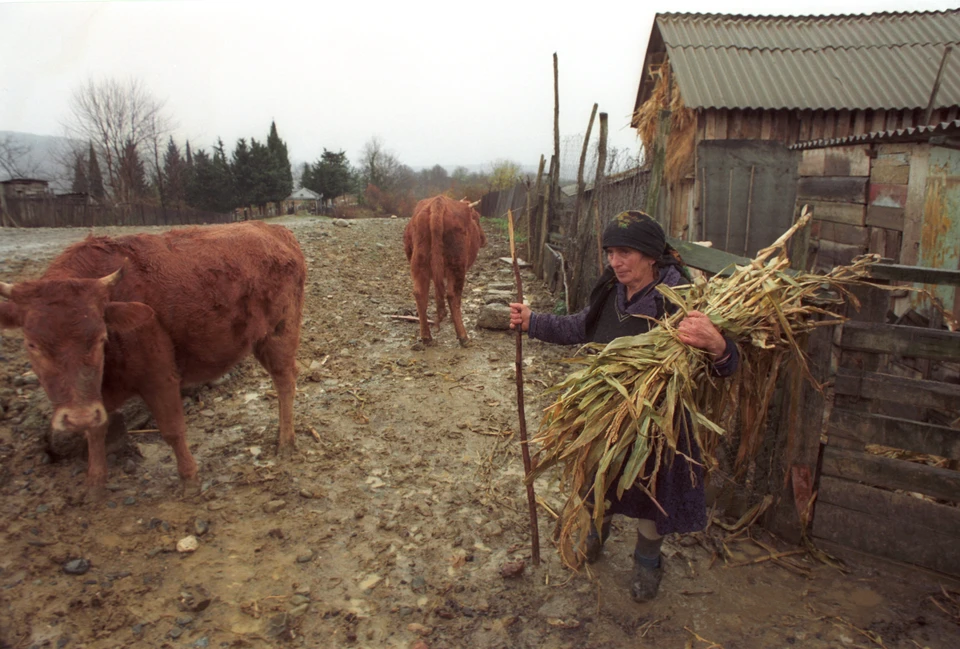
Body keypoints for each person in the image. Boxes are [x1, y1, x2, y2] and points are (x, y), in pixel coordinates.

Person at [509, 210, 739, 602]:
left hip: (658, 424)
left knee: (651, 493)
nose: (615, 261)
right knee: (600, 479)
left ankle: (647, 562)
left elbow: (726, 367)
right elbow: (579, 327)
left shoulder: (680, 300)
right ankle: (596, 532)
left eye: (626, 252)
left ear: (651, 256)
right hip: (605, 416)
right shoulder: (609, 290)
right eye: (611, 252)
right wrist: (534, 321)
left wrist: (717, 344)